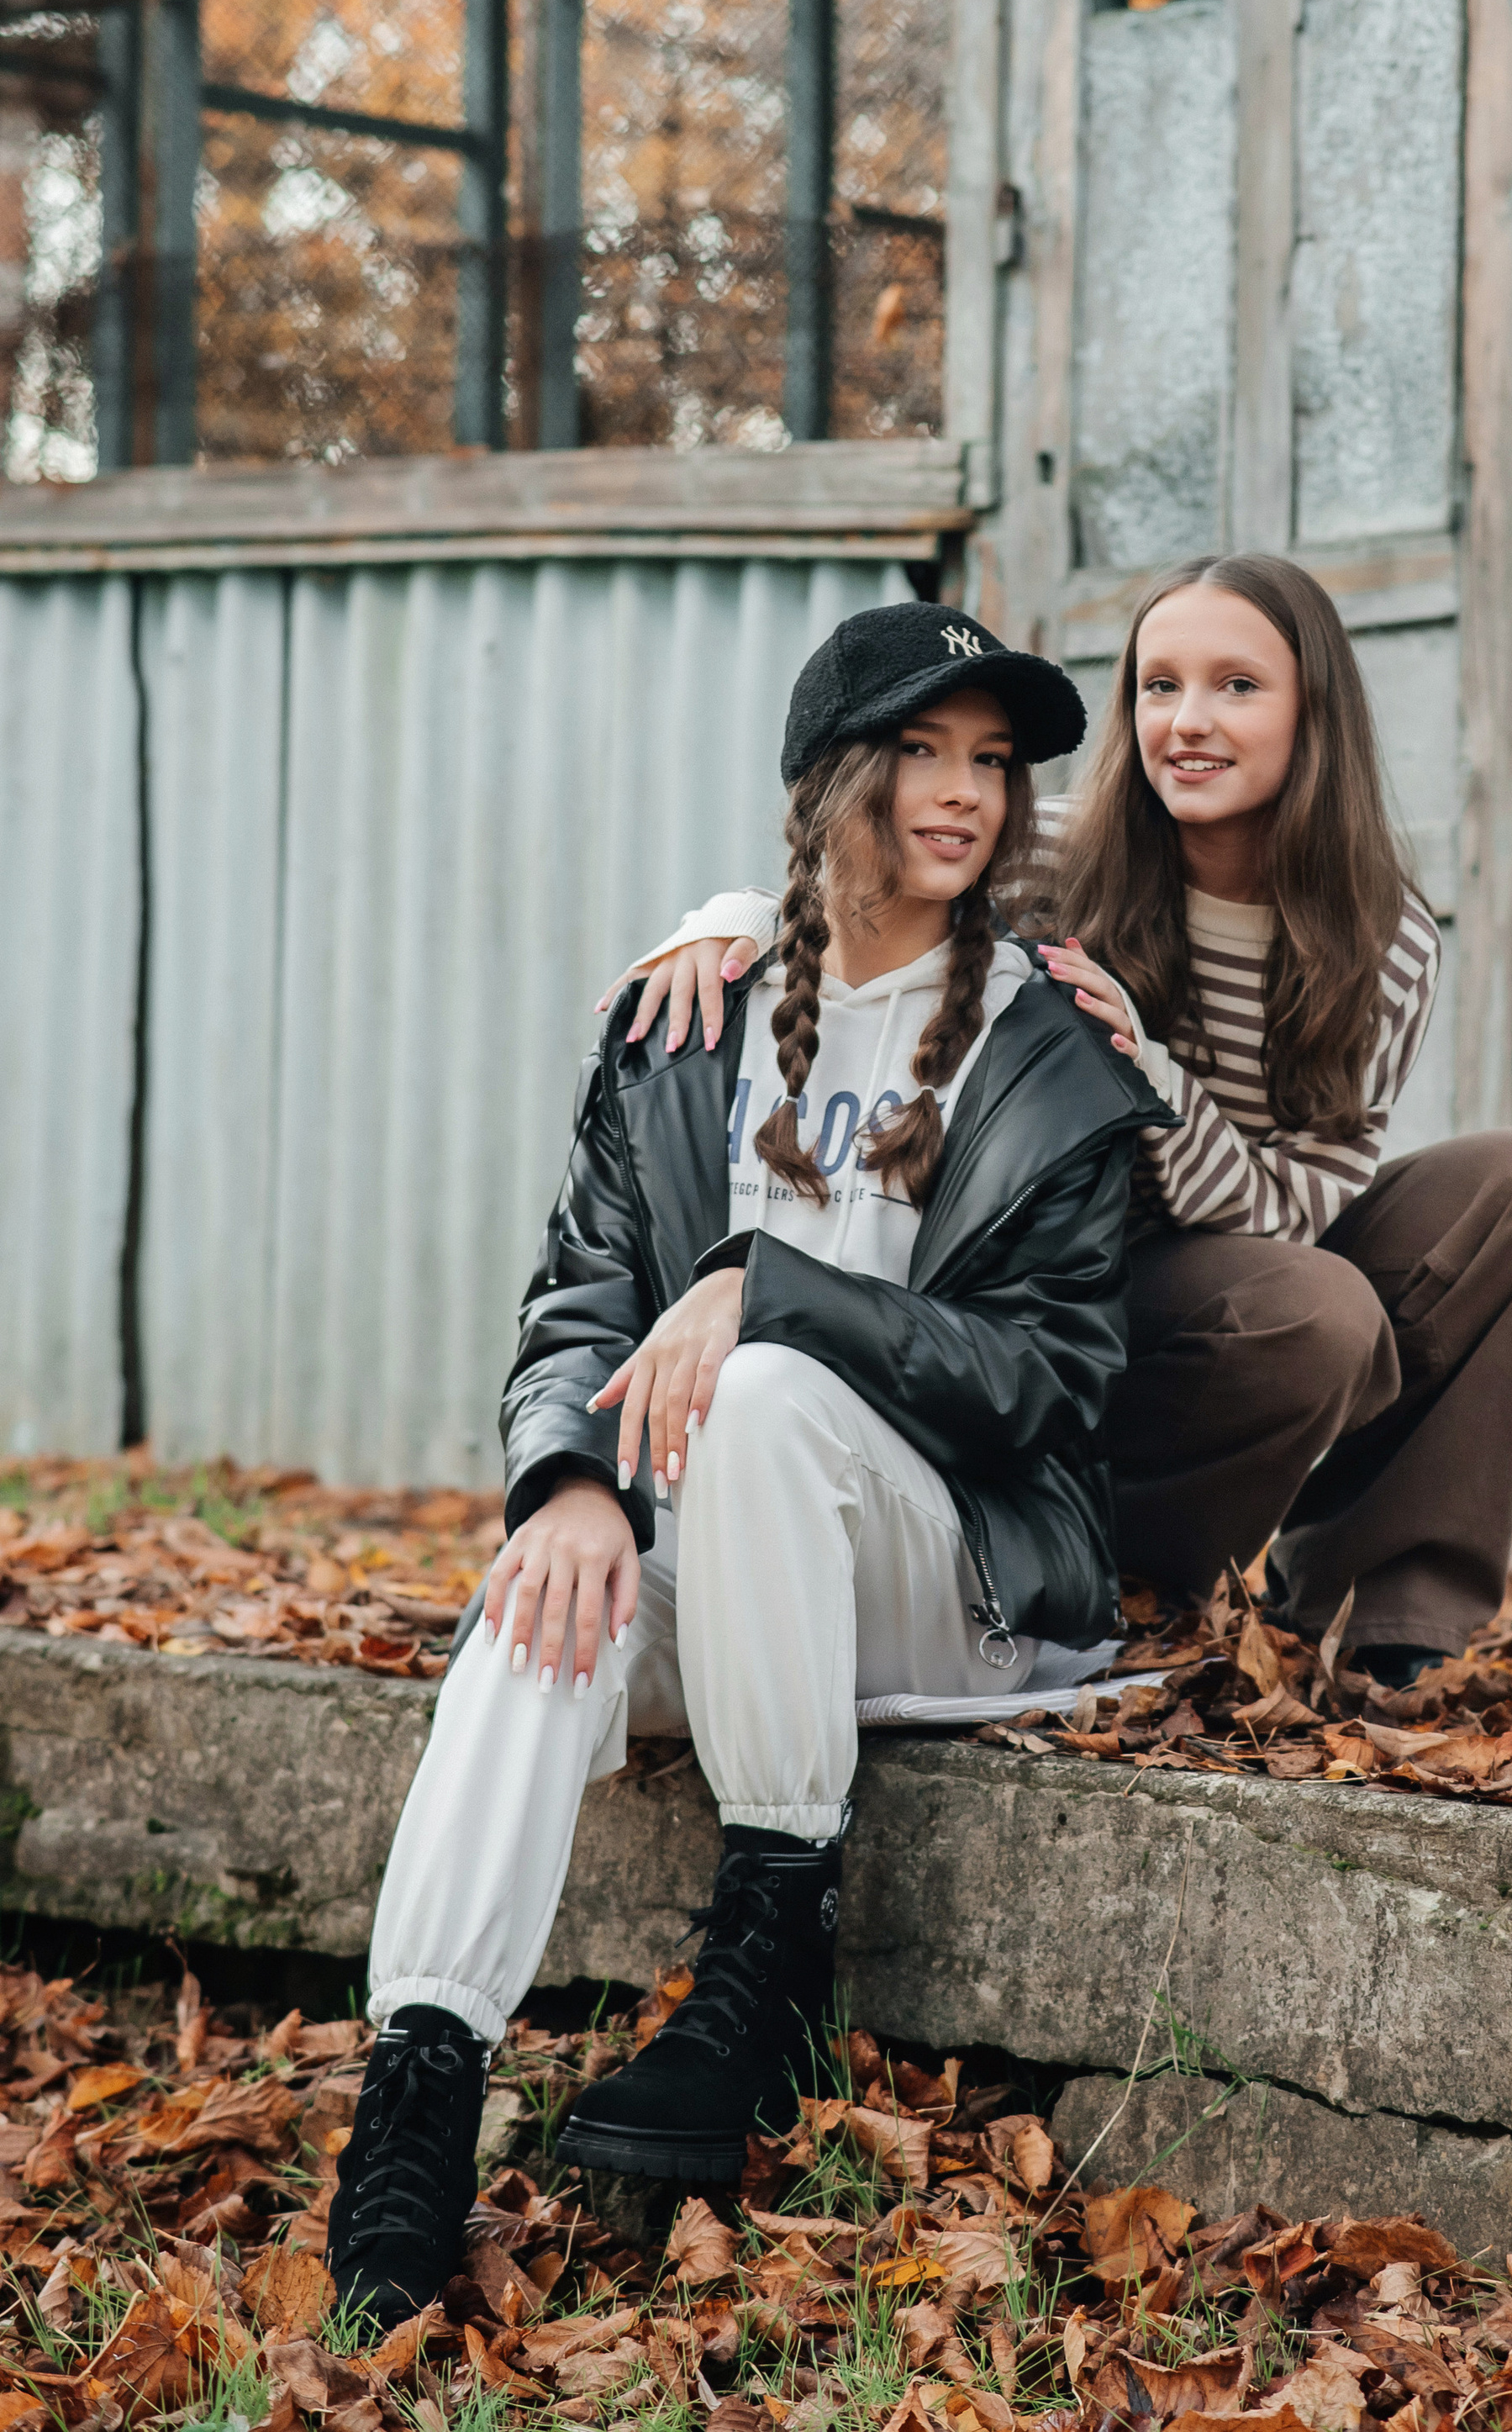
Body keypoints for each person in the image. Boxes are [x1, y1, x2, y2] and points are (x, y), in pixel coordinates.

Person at [327, 603, 1170, 2334]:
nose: (961, 797)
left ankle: (764, 1958)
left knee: (775, 1390)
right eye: (921, 753)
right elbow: (577, 1300)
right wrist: (564, 1478)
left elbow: (1049, 1382)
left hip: (956, 1576)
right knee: (541, 1597)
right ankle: (414, 2095)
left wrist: (768, 1288)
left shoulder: (1043, 1050)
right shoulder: (689, 1017)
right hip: (731, 1581)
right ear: (825, 782)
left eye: (992, 766)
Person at [612, 555, 1512, 1692]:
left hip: (1226, 1255)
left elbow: (1297, 1208)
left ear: (1313, 710)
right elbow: (855, 879)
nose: (1187, 720)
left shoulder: (1388, 940)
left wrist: (1151, 1073)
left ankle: (1387, 1610)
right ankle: (1130, 1583)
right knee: (1315, 1316)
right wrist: (721, 924)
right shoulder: (1046, 850)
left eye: (1236, 686)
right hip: (1024, 1294)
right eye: (1157, 685)